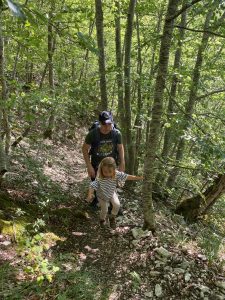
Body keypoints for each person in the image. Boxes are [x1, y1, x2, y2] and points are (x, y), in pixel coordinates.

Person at [82, 111, 125, 209]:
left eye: (109, 124)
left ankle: (112, 205)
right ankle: (96, 200)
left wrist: (122, 163)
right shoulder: (93, 134)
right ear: (100, 123)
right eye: (104, 124)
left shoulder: (116, 134)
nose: (107, 127)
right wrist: (89, 166)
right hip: (96, 164)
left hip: (110, 164)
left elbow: (120, 148)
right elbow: (84, 148)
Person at [86, 157, 143, 228]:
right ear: (101, 170)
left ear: (114, 169)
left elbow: (127, 176)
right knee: (105, 209)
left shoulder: (117, 174)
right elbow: (92, 185)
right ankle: (102, 220)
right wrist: (90, 194)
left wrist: (139, 178)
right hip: (102, 195)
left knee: (117, 205)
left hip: (112, 193)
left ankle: (112, 217)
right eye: (105, 172)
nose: (108, 174)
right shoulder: (100, 177)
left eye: (110, 172)